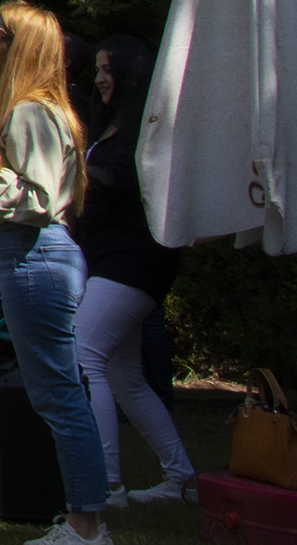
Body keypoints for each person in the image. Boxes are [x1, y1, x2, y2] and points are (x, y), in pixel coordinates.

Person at [0, 1, 108, 545]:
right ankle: (83, 518)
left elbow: (37, 200)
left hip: (36, 256)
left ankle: (87, 527)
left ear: (15, 47)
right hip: (35, 256)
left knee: (60, 395)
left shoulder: (29, 112)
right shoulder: (30, 111)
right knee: (57, 394)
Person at [75, 35, 193, 506]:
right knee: (124, 375)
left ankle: (106, 483)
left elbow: (125, 181)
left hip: (135, 260)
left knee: (84, 352)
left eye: (108, 70)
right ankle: (180, 477)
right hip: (109, 261)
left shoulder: (148, 133)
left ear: (130, 75)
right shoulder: (109, 126)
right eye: (98, 69)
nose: (100, 78)